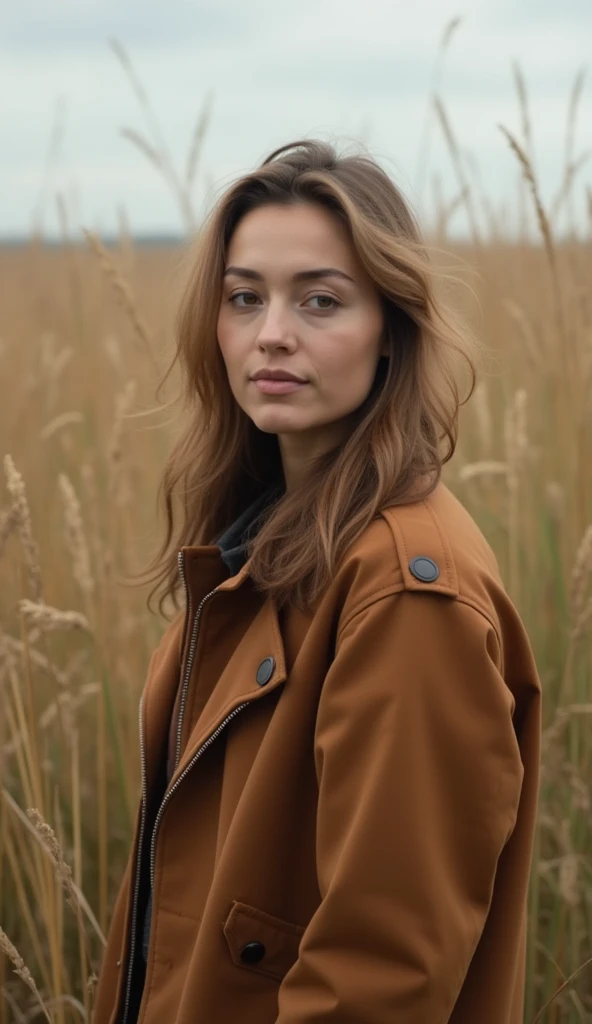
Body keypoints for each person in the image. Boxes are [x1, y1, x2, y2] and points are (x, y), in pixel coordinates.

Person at [93, 138, 541, 1024]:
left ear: (392, 333)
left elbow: (382, 976)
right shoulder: (273, 545)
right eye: (245, 297)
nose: (272, 334)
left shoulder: (408, 596)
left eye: (321, 301)